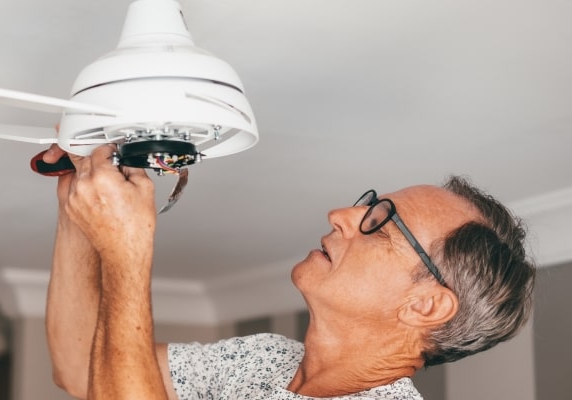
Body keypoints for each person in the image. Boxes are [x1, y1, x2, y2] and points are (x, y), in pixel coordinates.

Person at [43, 143, 536, 399]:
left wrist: (127, 251)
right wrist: (76, 209)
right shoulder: (264, 359)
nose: (342, 215)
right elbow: (79, 367)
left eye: (381, 224)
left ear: (425, 304)